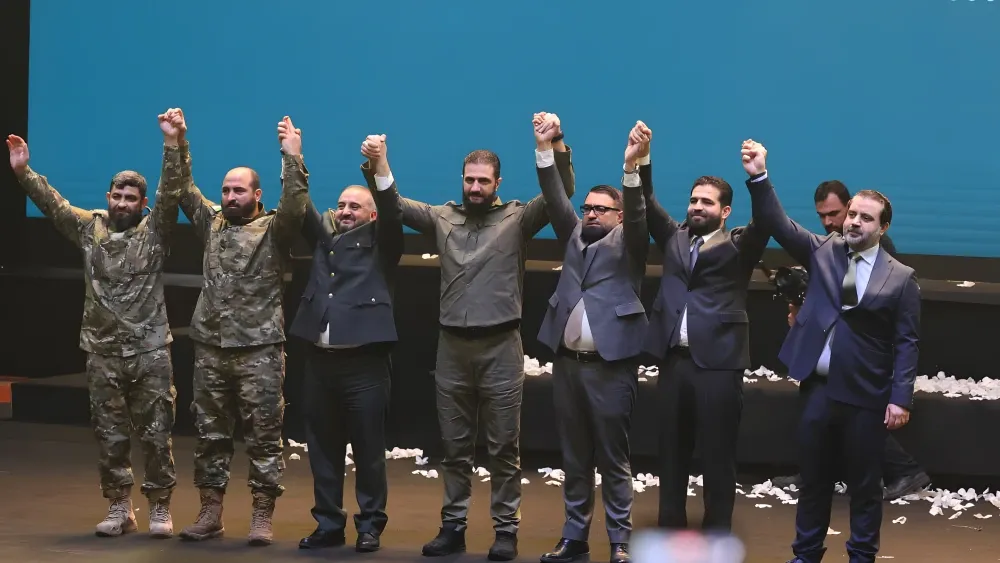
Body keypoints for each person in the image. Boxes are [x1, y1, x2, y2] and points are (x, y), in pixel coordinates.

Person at [367, 112, 574, 560]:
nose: (475, 188)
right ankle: (453, 527)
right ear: (461, 180)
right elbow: (394, 206)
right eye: (469, 180)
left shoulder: (518, 218)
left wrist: (551, 145)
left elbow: (562, 195)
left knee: (503, 447)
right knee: (455, 448)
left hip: (501, 346)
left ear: (498, 183)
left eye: (483, 181)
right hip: (452, 349)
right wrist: (379, 162)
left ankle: (505, 531)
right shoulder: (443, 217)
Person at [5, 109, 186, 538]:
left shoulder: (155, 231)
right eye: (116, 196)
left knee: (157, 432)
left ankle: (160, 506)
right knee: (109, 434)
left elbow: (174, 190)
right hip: (102, 351)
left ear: (143, 204)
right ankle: (120, 505)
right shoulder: (90, 229)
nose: (121, 204)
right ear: (108, 197)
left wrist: (173, 145)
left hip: (149, 351)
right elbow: (53, 204)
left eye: (130, 199)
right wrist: (23, 171)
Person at [741, 139, 920, 563]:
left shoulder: (901, 278)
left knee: (864, 485)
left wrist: (900, 397)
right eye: (852, 214)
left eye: (865, 217)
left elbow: (908, 341)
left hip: (866, 393)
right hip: (818, 389)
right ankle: (805, 554)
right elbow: (777, 222)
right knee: (814, 481)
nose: (854, 222)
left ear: (882, 227)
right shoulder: (822, 251)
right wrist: (759, 175)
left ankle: (861, 555)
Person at [176, 114, 310, 546]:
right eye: (226, 190)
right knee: (210, 436)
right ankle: (210, 512)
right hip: (211, 349)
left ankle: (262, 515)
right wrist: (178, 141)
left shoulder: (274, 229)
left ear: (257, 194)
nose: (231, 196)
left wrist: (292, 156)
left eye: (240, 190)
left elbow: (295, 204)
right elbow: (182, 187)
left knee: (264, 437)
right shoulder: (210, 224)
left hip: (259, 352)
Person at [634, 121, 770, 532]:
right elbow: (646, 199)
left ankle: (716, 535)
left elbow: (767, 222)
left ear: (724, 211)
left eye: (706, 203)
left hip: (719, 366)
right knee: (670, 454)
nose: (696, 207)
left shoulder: (739, 244)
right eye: (693, 200)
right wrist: (642, 156)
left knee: (717, 456)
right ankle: (670, 529)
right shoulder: (674, 238)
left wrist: (758, 176)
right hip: (675, 364)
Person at [534, 119, 650, 563]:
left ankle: (620, 541)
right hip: (567, 366)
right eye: (588, 208)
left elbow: (639, 212)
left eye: (601, 209)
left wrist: (630, 168)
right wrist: (545, 149)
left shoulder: (631, 242)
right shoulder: (574, 235)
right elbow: (553, 196)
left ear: (618, 215)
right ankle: (574, 537)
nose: (591, 213)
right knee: (575, 456)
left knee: (613, 458)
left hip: (611, 367)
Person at [773, 180, 929, 501]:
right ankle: (813, 474)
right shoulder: (829, 247)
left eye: (836, 213)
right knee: (816, 424)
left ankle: (903, 471)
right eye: (823, 216)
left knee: (860, 434)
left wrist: (901, 395)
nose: (831, 221)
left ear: (881, 226)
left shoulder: (884, 259)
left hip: (861, 363)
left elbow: (895, 332)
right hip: (825, 358)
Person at [291, 133, 403, 553]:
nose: (345, 211)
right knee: (322, 450)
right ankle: (328, 524)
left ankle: (370, 525)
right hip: (319, 364)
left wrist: (381, 165)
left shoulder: (383, 244)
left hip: (365, 367)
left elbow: (392, 212)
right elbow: (300, 207)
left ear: (370, 216)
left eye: (355, 206)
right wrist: (294, 157)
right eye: (341, 205)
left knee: (369, 452)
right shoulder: (324, 239)